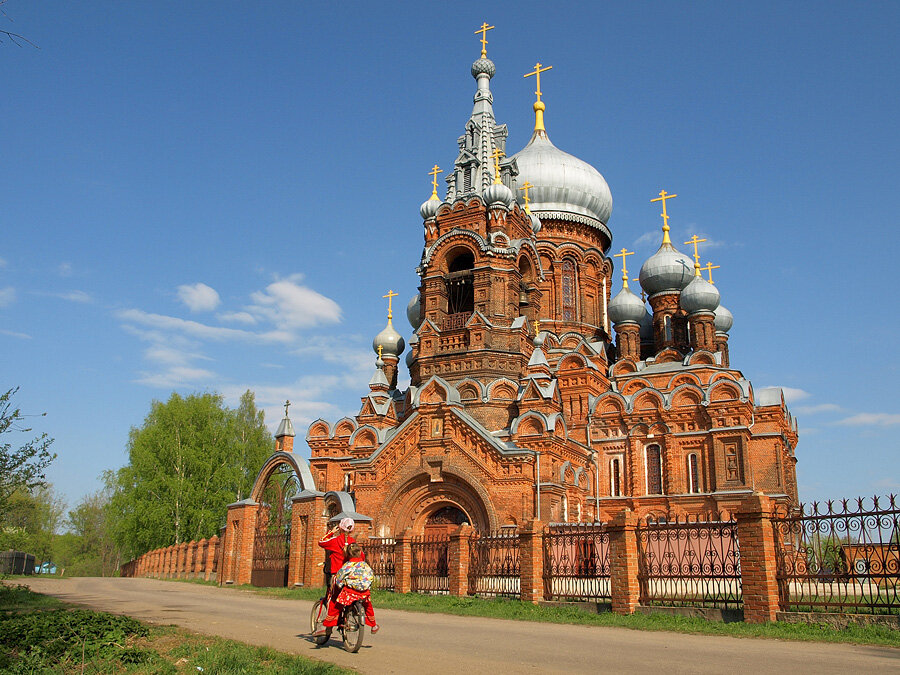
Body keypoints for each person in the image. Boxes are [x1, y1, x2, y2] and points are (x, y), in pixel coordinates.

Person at [314, 542, 378, 636]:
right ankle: (374, 625)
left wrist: (339, 585)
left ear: (347, 554)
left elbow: (339, 579)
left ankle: (327, 626)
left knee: (336, 606)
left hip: (350, 592)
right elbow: (371, 577)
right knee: (368, 606)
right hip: (364, 592)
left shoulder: (347, 566)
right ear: (360, 552)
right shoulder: (365, 565)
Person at [318, 517, 356, 589]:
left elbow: (321, 542)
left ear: (340, 527)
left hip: (337, 574)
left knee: (334, 597)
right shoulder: (353, 541)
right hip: (349, 576)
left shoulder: (336, 540)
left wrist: (331, 532)